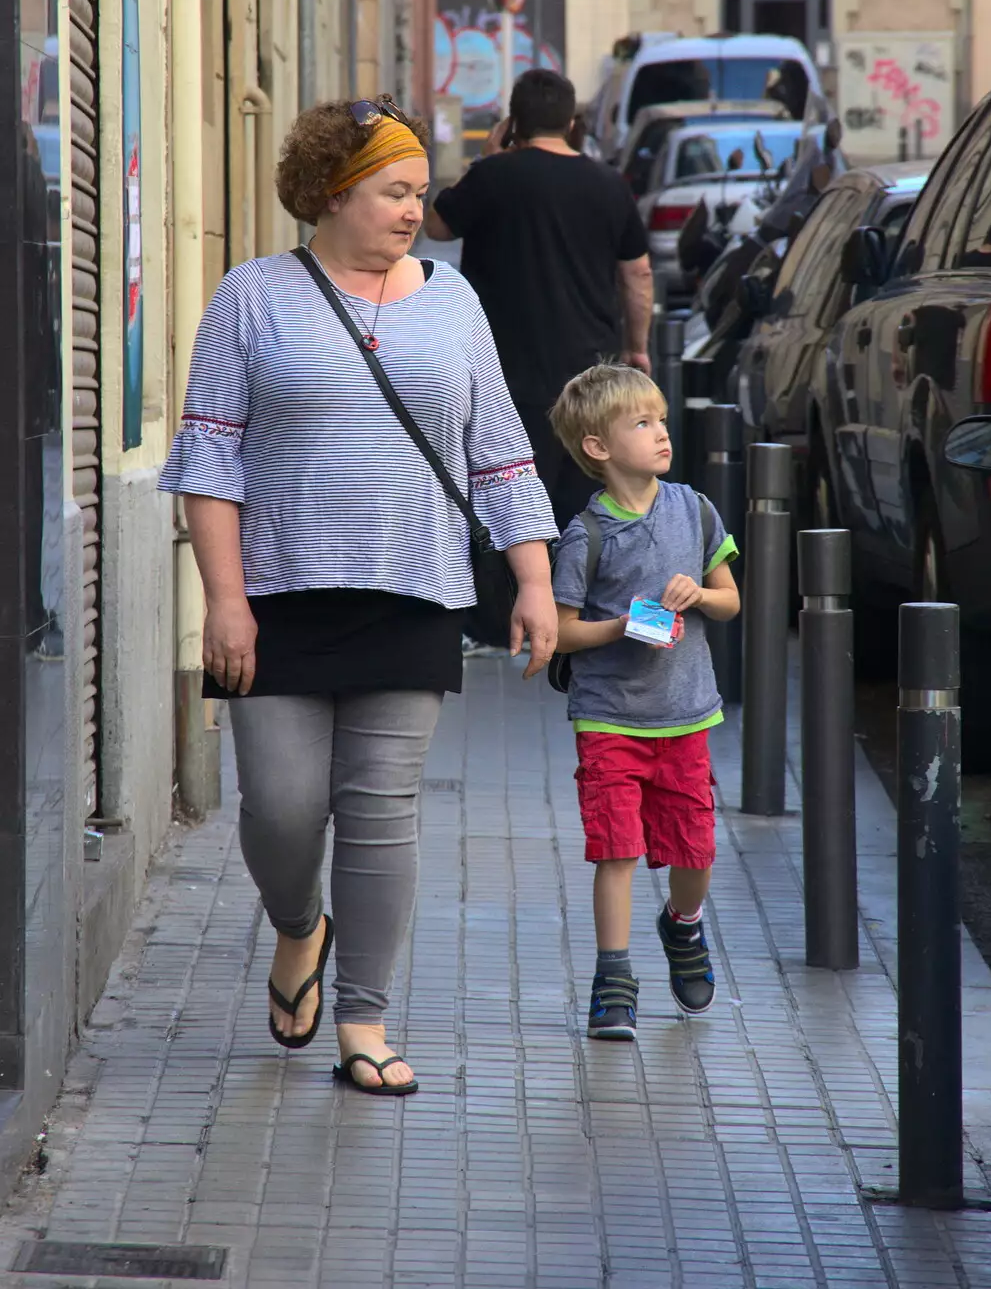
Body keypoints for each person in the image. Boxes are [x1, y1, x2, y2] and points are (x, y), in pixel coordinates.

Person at [159, 96, 558, 1096]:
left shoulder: (453, 304)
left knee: (380, 814)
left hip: (414, 591)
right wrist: (225, 599)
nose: (411, 211)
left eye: (420, 193)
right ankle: (300, 927)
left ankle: (364, 1020)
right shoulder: (253, 297)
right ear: (333, 193)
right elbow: (210, 457)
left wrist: (533, 581)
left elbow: (500, 455)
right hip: (279, 596)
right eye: (393, 192)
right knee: (283, 811)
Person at [548, 363, 740, 1041]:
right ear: (598, 447)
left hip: (685, 715)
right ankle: (613, 979)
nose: (661, 433)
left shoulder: (694, 508)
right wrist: (622, 625)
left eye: (660, 419)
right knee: (616, 850)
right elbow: (561, 631)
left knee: (695, 851)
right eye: (642, 423)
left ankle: (683, 926)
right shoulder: (587, 536)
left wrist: (699, 595)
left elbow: (731, 598)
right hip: (609, 718)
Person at [424, 68, 654, 533]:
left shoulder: (492, 176)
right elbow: (638, 274)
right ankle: (574, 597)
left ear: (513, 124)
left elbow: (436, 227)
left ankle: (517, 593)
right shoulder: (610, 184)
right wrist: (637, 347)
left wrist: (483, 161)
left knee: (507, 495)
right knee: (585, 498)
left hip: (501, 370)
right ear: (571, 122)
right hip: (588, 368)